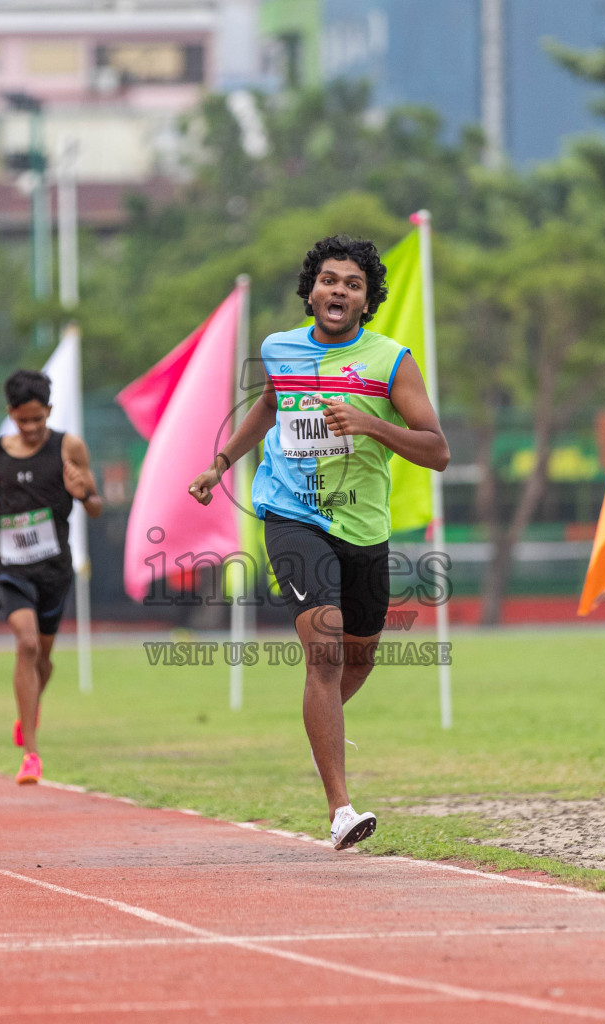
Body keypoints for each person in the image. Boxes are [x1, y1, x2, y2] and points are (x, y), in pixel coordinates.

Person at [188, 235, 450, 850]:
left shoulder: (389, 360)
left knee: (357, 659)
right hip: (290, 512)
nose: (339, 291)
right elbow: (271, 406)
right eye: (329, 280)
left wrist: (370, 424)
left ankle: (319, 726)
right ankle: (340, 806)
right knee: (326, 651)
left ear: (366, 301)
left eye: (353, 285)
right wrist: (222, 461)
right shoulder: (279, 348)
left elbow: (437, 450)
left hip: (363, 526)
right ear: (311, 291)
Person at [0, 369, 103, 785]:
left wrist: (82, 492)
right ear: (10, 414)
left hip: (52, 567)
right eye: (22, 420)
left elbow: (96, 504)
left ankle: (27, 712)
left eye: (38, 419)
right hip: (9, 565)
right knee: (26, 644)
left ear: (48, 411)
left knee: (43, 660)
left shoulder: (69, 447)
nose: (30, 428)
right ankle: (31, 754)